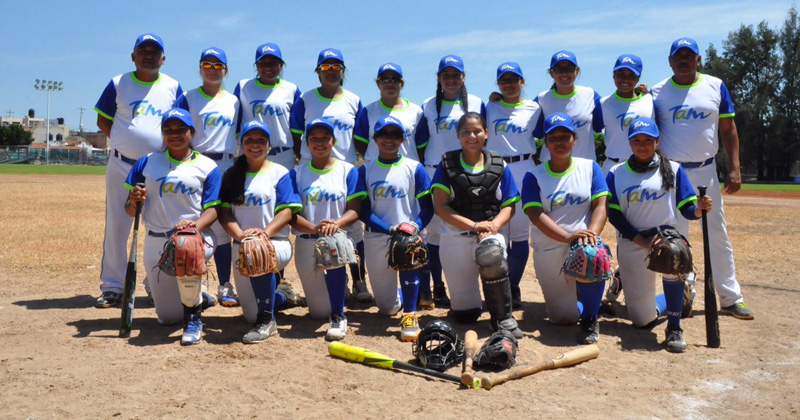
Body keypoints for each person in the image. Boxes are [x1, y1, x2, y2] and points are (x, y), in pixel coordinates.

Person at [650, 37, 754, 320]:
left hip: (706, 169)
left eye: (689, 55)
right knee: (676, 236)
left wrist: (735, 167)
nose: (683, 60)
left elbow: (728, 129)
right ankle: (683, 294)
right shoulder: (657, 92)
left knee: (716, 234)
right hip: (671, 172)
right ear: (670, 61)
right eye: (678, 56)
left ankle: (730, 298)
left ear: (698, 59)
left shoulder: (715, 85)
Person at [606, 117, 713, 352]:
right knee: (641, 320)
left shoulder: (673, 169)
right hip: (633, 240)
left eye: (647, 140)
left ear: (657, 142)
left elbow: (687, 208)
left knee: (674, 253)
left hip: (666, 239)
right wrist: (641, 241)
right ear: (630, 143)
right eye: (636, 141)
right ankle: (681, 297)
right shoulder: (616, 173)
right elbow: (614, 216)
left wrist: (699, 209)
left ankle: (674, 326)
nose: (642, 145)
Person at [94, 33, 183, 308]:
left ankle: (156, 283)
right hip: (122, 164)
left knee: (160, 226)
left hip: (158, 166)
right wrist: (125, 141)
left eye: (154, 52)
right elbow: (102, 121)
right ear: (133, 56)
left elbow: (180, 125)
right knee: (117, 226)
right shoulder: (118, 83)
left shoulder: (172, 86)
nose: (148, 56)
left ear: (163, 59)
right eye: (142, 51)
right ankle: (113, 286)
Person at [124, 108, 221, 345]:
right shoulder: (147, 162)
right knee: (167, 317)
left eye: (181, 129)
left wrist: (195, 226)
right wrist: (134, 201)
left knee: (185, 246)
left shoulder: (207, 166)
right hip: (156, 237)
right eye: (168, 130)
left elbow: (213, 210)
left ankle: (194, 319)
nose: (175, 134)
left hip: (195, 237)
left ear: (191, 132)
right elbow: (129, 209)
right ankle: (199, 297)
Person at [431, 112, 523, 339]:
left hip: (489, 233)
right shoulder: (447, 163)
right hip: (456, 236)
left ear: (486, 133)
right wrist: (474, 226)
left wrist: (491, 227)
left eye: (477, 131)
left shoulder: (498, 163)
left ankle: (503, 318)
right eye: (466, 132)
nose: (472, 136)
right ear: (458, 135)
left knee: (492, 252)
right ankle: (467, 305)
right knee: (466, 315)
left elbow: (510, 205)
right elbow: (440, 207)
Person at [289, 48, 370, 303]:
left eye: (336, 67)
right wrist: (305, 158)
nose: (331, 71)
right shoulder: (306, 99)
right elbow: (296, 134)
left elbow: (361, 137)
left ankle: (359, 279)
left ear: (343, 71)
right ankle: (333, 279)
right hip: (313, 168)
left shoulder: (353, 100)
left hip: (345, 167)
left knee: (353, 230)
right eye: (325, 67)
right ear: (318, 71)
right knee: (320, 225)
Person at [521, 113, 610, 344]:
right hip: (549, 246)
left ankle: (591, 315)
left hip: (581, 244)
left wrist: (591, 236)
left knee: (591, 253)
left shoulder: (590, 167)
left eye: (565, 137)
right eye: (553, 138)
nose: (559, 142)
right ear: (546, 143)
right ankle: (582, 296)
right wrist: (567, 236)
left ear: (574, 139)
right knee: (563, 318)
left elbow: (601, 205)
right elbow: (535, 214)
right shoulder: (534, 175)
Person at [217, 120, 303, 343]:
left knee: (257, 252)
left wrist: (263, 235)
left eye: (261, 140)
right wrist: (241, 236)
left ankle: (267, 321)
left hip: (275, 242)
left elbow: (286, 212)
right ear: (241, 144)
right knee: (249, 314)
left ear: (268, 145)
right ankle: (282, 296)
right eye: (249, 140)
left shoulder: (280, 172)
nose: (255, 145)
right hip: (241, 244)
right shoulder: (231, 174)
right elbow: (224, 214)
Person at [417, 54, 486, 309]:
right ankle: (437, 286)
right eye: (446, 75)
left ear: (463, 77)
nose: (451, 79)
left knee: (465, 231)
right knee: (434, 234)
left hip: (467, 173)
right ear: (439, 78)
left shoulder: (476, 103)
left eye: (456, 74)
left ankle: (470, 287)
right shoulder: (427, 105)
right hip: (436, 171)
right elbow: (421, 143)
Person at [289, 119, 366, 340]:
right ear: (307, 143)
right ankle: (336, 294)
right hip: (307, 239)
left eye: (325, 138)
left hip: (336, 235)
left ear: (334, 141)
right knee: (318, 312)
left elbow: (355, 209)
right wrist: (315, 228)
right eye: (314, 138)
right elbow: (291, 215)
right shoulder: (297, 173)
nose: (320, 142)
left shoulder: (347, 170)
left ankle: (338, 314)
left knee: (333, 244)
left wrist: (336, 224)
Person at [358, 116, 434, 341]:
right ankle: (405, 294)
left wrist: (415, 227)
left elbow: (428, 207)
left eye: (395, 135)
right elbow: (363, 211)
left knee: (408, 246)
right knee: (387, 308)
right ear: (375, 139)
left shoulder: (414, 167)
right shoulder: (365, 170)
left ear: (402, 139)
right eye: (384, 134)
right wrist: (390, 229)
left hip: (408, 234)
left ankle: (410, 313)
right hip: (377, 236)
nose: (389, 139)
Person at [176, 47, 240, 307]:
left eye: (218, 65)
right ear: (200, 68)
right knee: (195, 221)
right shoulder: (188, 98)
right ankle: (198, 283)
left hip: (225, 164)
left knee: (223, 227)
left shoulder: (235, 101)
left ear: (226, 70)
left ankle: (225, 285)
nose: (212, 70)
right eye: (207, 65)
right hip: (197, 162)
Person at [484, 62, 542, 309]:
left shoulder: (534, 108)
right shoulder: (489, 107)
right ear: (498, 83)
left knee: (519, 235)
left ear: (522, 81)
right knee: (496, 233)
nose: (509, 84)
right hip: (495, 167)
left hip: (524, 166)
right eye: (504, 80)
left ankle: (513, 286)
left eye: (513, 79)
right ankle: (498, 285)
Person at [234, 42, 300, 171]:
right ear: (256, 66)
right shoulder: (243, 87)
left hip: (282, 156)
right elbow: (234, 121)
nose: (268, 67)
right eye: (262, 63)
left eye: (273, 63)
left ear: (281, 65)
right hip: (252, 155)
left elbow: (298, 125)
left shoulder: (291, 89)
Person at [534, 50, 603, 162]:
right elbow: (531, 129)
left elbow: (607, 120)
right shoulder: (542, 99)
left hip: (584, 166)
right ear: (551, 73)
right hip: (551, 167)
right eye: (559, 69)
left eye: (569, 69)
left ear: (576, 71)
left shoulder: (590, 95)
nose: (564, 73)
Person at [354, 63, 425, 163]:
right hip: (376, 169)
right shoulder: (368, 111)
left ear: (402, 84)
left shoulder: (416, 111)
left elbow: (422, 146)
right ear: (378, 84)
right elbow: (360, 142)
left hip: (408, 169)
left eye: (395, 79)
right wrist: (375, 159)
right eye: (384, 79)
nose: (390, 83)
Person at [598, 54, 655, 175]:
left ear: (638, 78)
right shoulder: (603, 104)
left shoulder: (649, 100)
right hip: (613, 167)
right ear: (613, 75)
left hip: (645, 167)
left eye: (631, 75)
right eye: (621, 74)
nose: (625, 79)